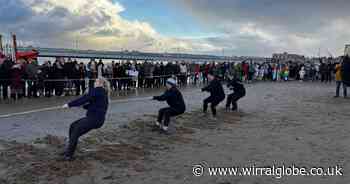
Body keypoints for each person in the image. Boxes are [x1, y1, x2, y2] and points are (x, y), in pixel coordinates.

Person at [61, 77, 110, 161]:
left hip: (94, 119)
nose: (94, 82)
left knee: (75, 131)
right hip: (96, 119)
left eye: (96, 81)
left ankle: (69, 155)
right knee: (73, 126)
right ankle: (69, 150)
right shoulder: (102, 93)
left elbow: (84, 99)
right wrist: (83, 106)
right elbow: (95, 105)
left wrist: (69, 104)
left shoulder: (98, 90)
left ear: (100, 83)